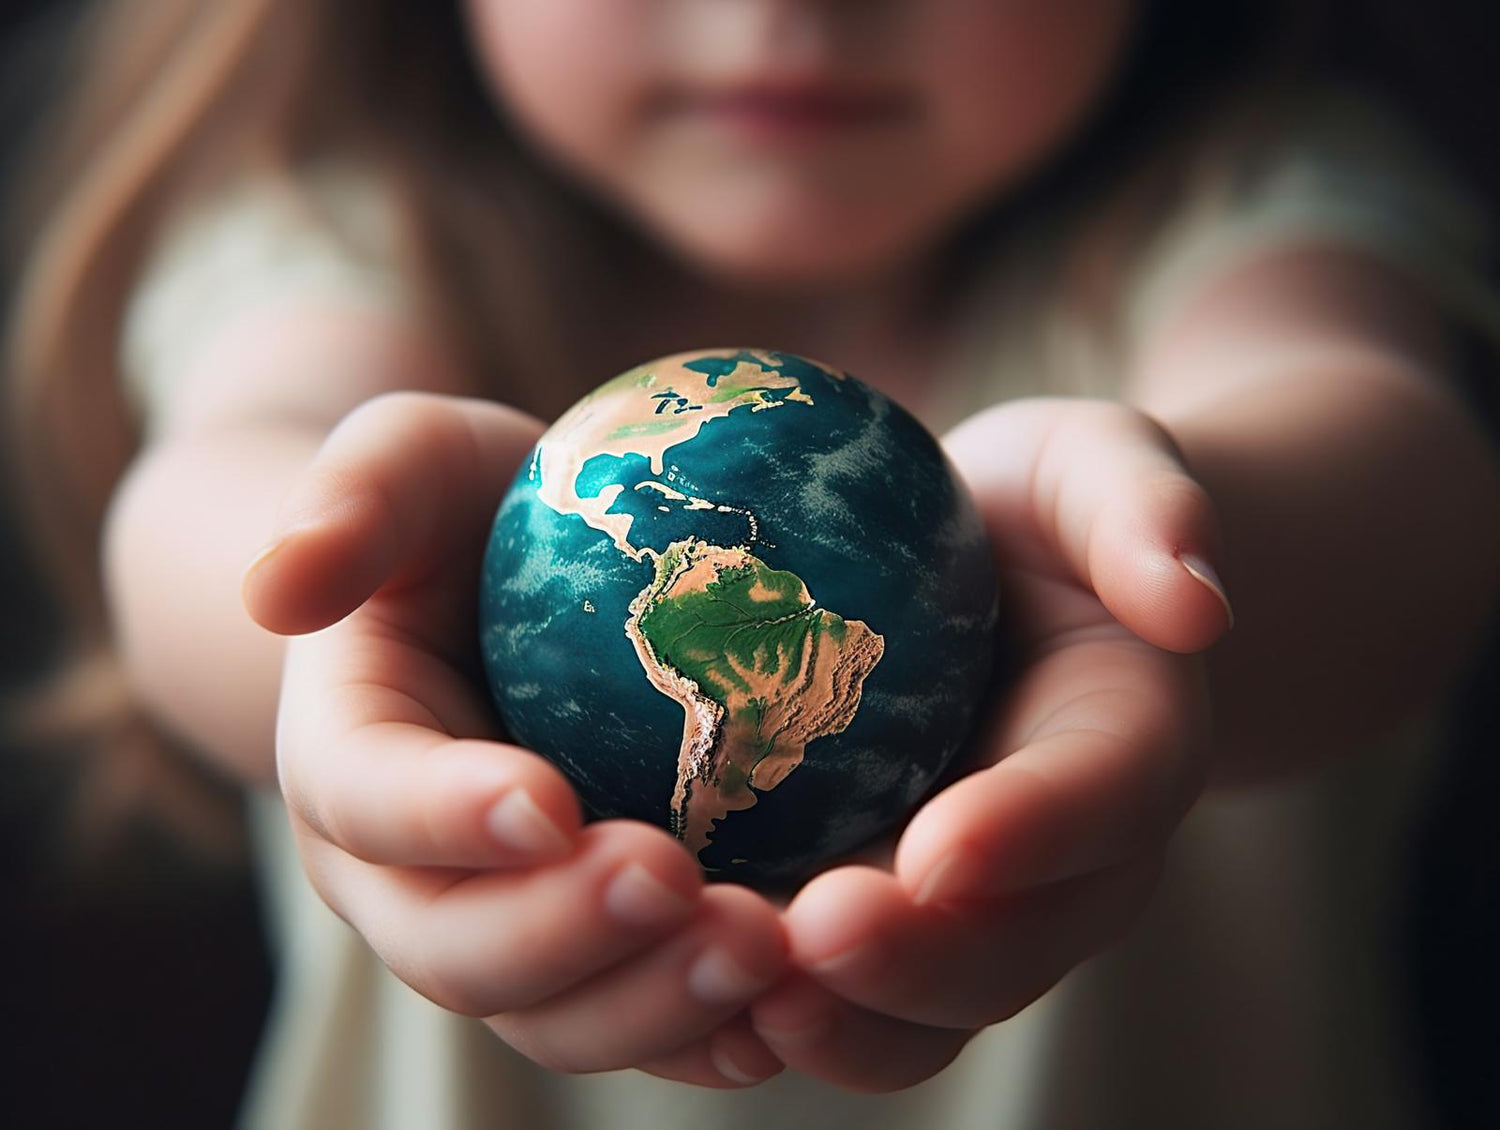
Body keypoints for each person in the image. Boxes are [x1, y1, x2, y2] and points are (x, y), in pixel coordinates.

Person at [6, 0, 1498, 1126]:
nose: (791, 7)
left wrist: (1161, 535)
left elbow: (1398, 494)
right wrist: (340, 625)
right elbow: (219, 487)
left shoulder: (1247, 203)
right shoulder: (339, 233)